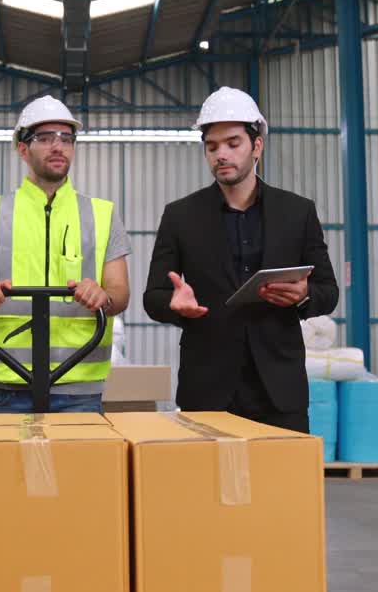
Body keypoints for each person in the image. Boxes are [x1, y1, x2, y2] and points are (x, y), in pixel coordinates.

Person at [142, 87, 338, 432]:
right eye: (212, 146)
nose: (221, 154)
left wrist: (304, 294)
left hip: (279, 391)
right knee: (208, 487)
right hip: (208, 389)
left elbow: (328, 291)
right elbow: (153, 297)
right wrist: (175, 305)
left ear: (257, 146)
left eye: (233, 144)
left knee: (281, 486)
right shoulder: (180, 216)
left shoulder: (297, 212)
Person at [0, 95, 131, 413]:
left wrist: (102, 295)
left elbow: (120, 293)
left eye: (66, 138)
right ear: (23, 149)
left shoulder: (102, 214)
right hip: (10, 381)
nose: (58, 146)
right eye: (45, 138)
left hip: (80, 383)